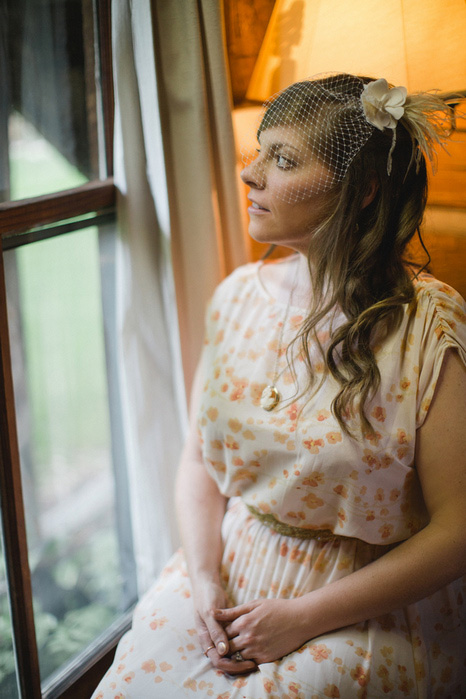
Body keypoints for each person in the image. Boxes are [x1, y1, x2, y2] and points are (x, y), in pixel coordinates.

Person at [93, 74, 466, 698]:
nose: (251, 175)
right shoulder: (236, 296)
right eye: (258, 152)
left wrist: (303, 618)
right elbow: (197, 461)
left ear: (364, 189)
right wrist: (204, 581)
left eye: (283, 160)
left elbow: (458, 528)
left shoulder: (429, 327)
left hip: (367, 596)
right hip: (232, 566)